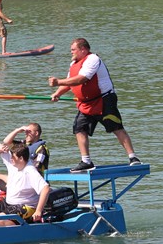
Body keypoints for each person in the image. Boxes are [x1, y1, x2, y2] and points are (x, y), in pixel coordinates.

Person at [48, 38, 141, 172]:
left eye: (73, 50)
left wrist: (58, 82)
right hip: (86, 104)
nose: (71, 52)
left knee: (116, 127)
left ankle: (133, 158)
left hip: (104, 100)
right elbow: (69, 83)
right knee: (79, 129)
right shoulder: (73, 64)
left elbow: (83, 78)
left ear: (83, 49)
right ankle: (86, 161)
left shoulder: (92, 59)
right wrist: (57, 93)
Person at [0, 143, 50, 227]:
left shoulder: (30, 171)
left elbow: (46, 188)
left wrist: (39, 211)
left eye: (12, 157)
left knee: (0, 219)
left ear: (21, 158)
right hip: (9, 203)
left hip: (26, 206)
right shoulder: (13, 163)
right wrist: (0, 147)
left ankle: (22, 233)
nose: (10, 159)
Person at [0, 123, 49, 191]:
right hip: (18, 176)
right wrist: (17, 130)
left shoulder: (42, 149)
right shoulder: (23, 144)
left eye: (29, 131)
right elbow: (6, 142)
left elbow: (36, 168)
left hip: (32, 180)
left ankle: (10, 190)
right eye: (25, 132)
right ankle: (9, 189)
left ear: (36, 133)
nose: (26, 134)